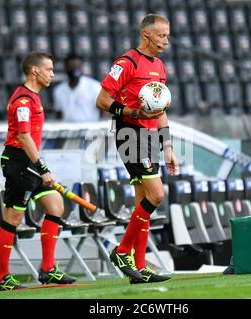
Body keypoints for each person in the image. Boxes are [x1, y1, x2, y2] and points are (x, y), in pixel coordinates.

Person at [96, 14, 178, 284]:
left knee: (143, 200)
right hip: (129, 133)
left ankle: (140, 267)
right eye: (161, 35)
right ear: (146, 35)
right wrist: (131, 111)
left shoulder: (161, 67)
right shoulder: (126, 63)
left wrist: (168, 148)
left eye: (167, 35)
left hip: (150, 136)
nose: (166, 40)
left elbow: (160, 111)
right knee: (156, 195)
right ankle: (121, 252)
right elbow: (102, 100)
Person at [0, 51, 76, 291]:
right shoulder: (23, 100)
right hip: (19, 163)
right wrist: (43, 168)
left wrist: (38, 166)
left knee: (55, 206)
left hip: (30, 163)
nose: (53, 73)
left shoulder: (34, 97)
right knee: (13, 217)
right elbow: (23, 136)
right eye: (49, 69)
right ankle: (1, 278)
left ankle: (48, 270)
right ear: (35, 71)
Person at [53, 53, 103, 122]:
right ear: (66, 68)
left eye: (77, 67)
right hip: (68, 130)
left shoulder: (94, 86)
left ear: (82, 68)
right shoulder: (59, 90)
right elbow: (59, 114)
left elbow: (103, 111)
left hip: (90, 129)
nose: (74, 70)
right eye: (71, 67)